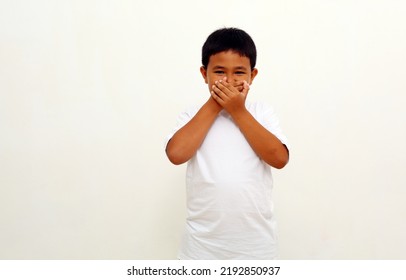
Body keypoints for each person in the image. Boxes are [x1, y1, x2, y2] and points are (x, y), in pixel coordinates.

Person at [165, 27, 290, 259]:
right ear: (205, 74)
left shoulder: (262, 113)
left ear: (253, 75)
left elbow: (279, 158)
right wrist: (216, 104)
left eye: (239, 73)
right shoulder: (192, 115)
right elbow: (176, 154)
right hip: (200, 248)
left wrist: (237, 110)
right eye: (220, 71)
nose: (229, 80)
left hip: (256, 248)